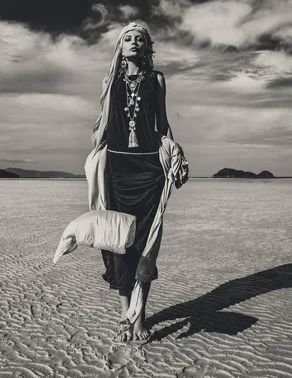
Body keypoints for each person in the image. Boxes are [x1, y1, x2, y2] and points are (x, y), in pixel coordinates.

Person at [94, 22, 175, 342]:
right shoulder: (109, 82)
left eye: (140, 39)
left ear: (147, 47)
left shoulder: (157, 80)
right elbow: (102, 126)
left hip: (148, 168)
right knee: (118, 241)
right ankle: (125, 311)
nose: (133, 42)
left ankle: (139, 316)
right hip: (116, 167)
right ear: (119, 47)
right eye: (127, 38)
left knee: (144, 243)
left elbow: (163, 123)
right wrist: (95, 155)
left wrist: (174, 155)